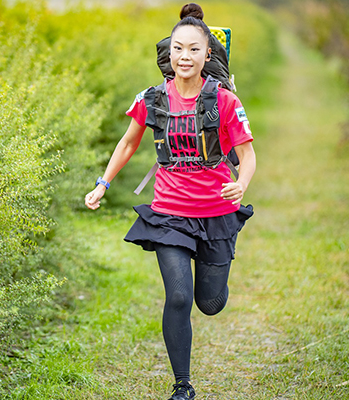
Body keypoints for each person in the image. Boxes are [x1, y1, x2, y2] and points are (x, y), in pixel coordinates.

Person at [84, 3, 256, 399]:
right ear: (169, 53)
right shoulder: (152, 98)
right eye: (178, 49)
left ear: (207, 54)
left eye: (194, 49)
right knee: (178, 295)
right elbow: (128, 142)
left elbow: (247, 155)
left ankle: (217, 267)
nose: (185, 57)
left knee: (209, 303)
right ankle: (183, 385)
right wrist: (102, 184)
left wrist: (241, 184)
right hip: (169, 213)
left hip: (216, 212)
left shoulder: (225, 101)